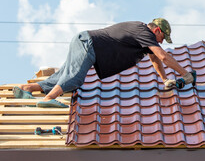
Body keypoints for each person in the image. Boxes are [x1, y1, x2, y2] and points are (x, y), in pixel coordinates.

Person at [13, 18, 195, 108]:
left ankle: (27, 89)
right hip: (89, 44)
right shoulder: (144, 32)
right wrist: (185, 74)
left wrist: (164, 80)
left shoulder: (142, 34)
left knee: (62, 77)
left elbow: (155, 59)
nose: (161, 42)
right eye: (162, 38)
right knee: (74, 78)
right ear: (156, 30)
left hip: (84, 40)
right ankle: (48, 100)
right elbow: (162, 55)